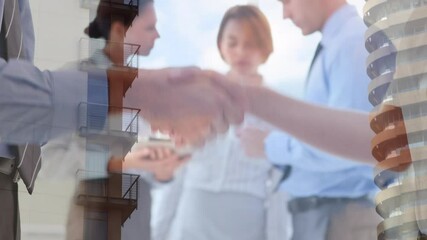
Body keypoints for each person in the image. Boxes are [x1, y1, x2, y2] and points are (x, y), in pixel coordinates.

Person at [0, 0, 243, 239]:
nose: (157, 35)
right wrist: (123, 162)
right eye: (150, 27)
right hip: (94, 219)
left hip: (136, 218)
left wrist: (160, 170)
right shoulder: (83, 78)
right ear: (119, 29)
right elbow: (46, 158)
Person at [207, 0, 380, 239]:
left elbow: (354, 140)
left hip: (339, 217)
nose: (285, 14)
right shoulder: (338, 44)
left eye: (287, 2)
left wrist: (269, 145)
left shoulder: (351, 42)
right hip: (326, 216)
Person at [152, 5, 288, 240]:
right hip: (193, 215)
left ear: (265, 47)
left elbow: (279, 186)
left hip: (244, 223)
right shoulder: (199, 97)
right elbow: (179, 167)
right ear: (221, 46)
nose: (241, 52)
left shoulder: (278, 108)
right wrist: (158, 233)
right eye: (233, 42)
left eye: (251, 43)